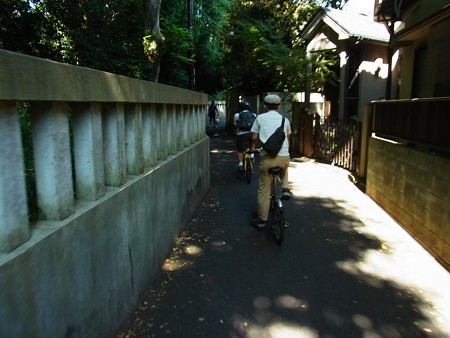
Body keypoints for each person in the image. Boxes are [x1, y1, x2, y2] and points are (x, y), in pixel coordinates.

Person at [251, 94, 293, 228]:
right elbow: (288, 139)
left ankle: (262, 220)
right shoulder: (284, 120)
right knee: (285, 166)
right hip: (283, 157)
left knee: (264, 190)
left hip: (267, 158)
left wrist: (257, 143)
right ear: (279, 106)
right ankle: (285, 188)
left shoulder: (260, 118)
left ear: (264, 106)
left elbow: (254, 137)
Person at [233, 101, 257, 172]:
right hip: (251, 133)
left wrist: (234, 133)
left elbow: (235, 125)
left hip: (241, 134)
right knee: (252, 143)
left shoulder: (237, 115)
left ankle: (240, 164)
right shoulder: (254, 114)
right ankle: (252, 156)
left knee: (240, 149)